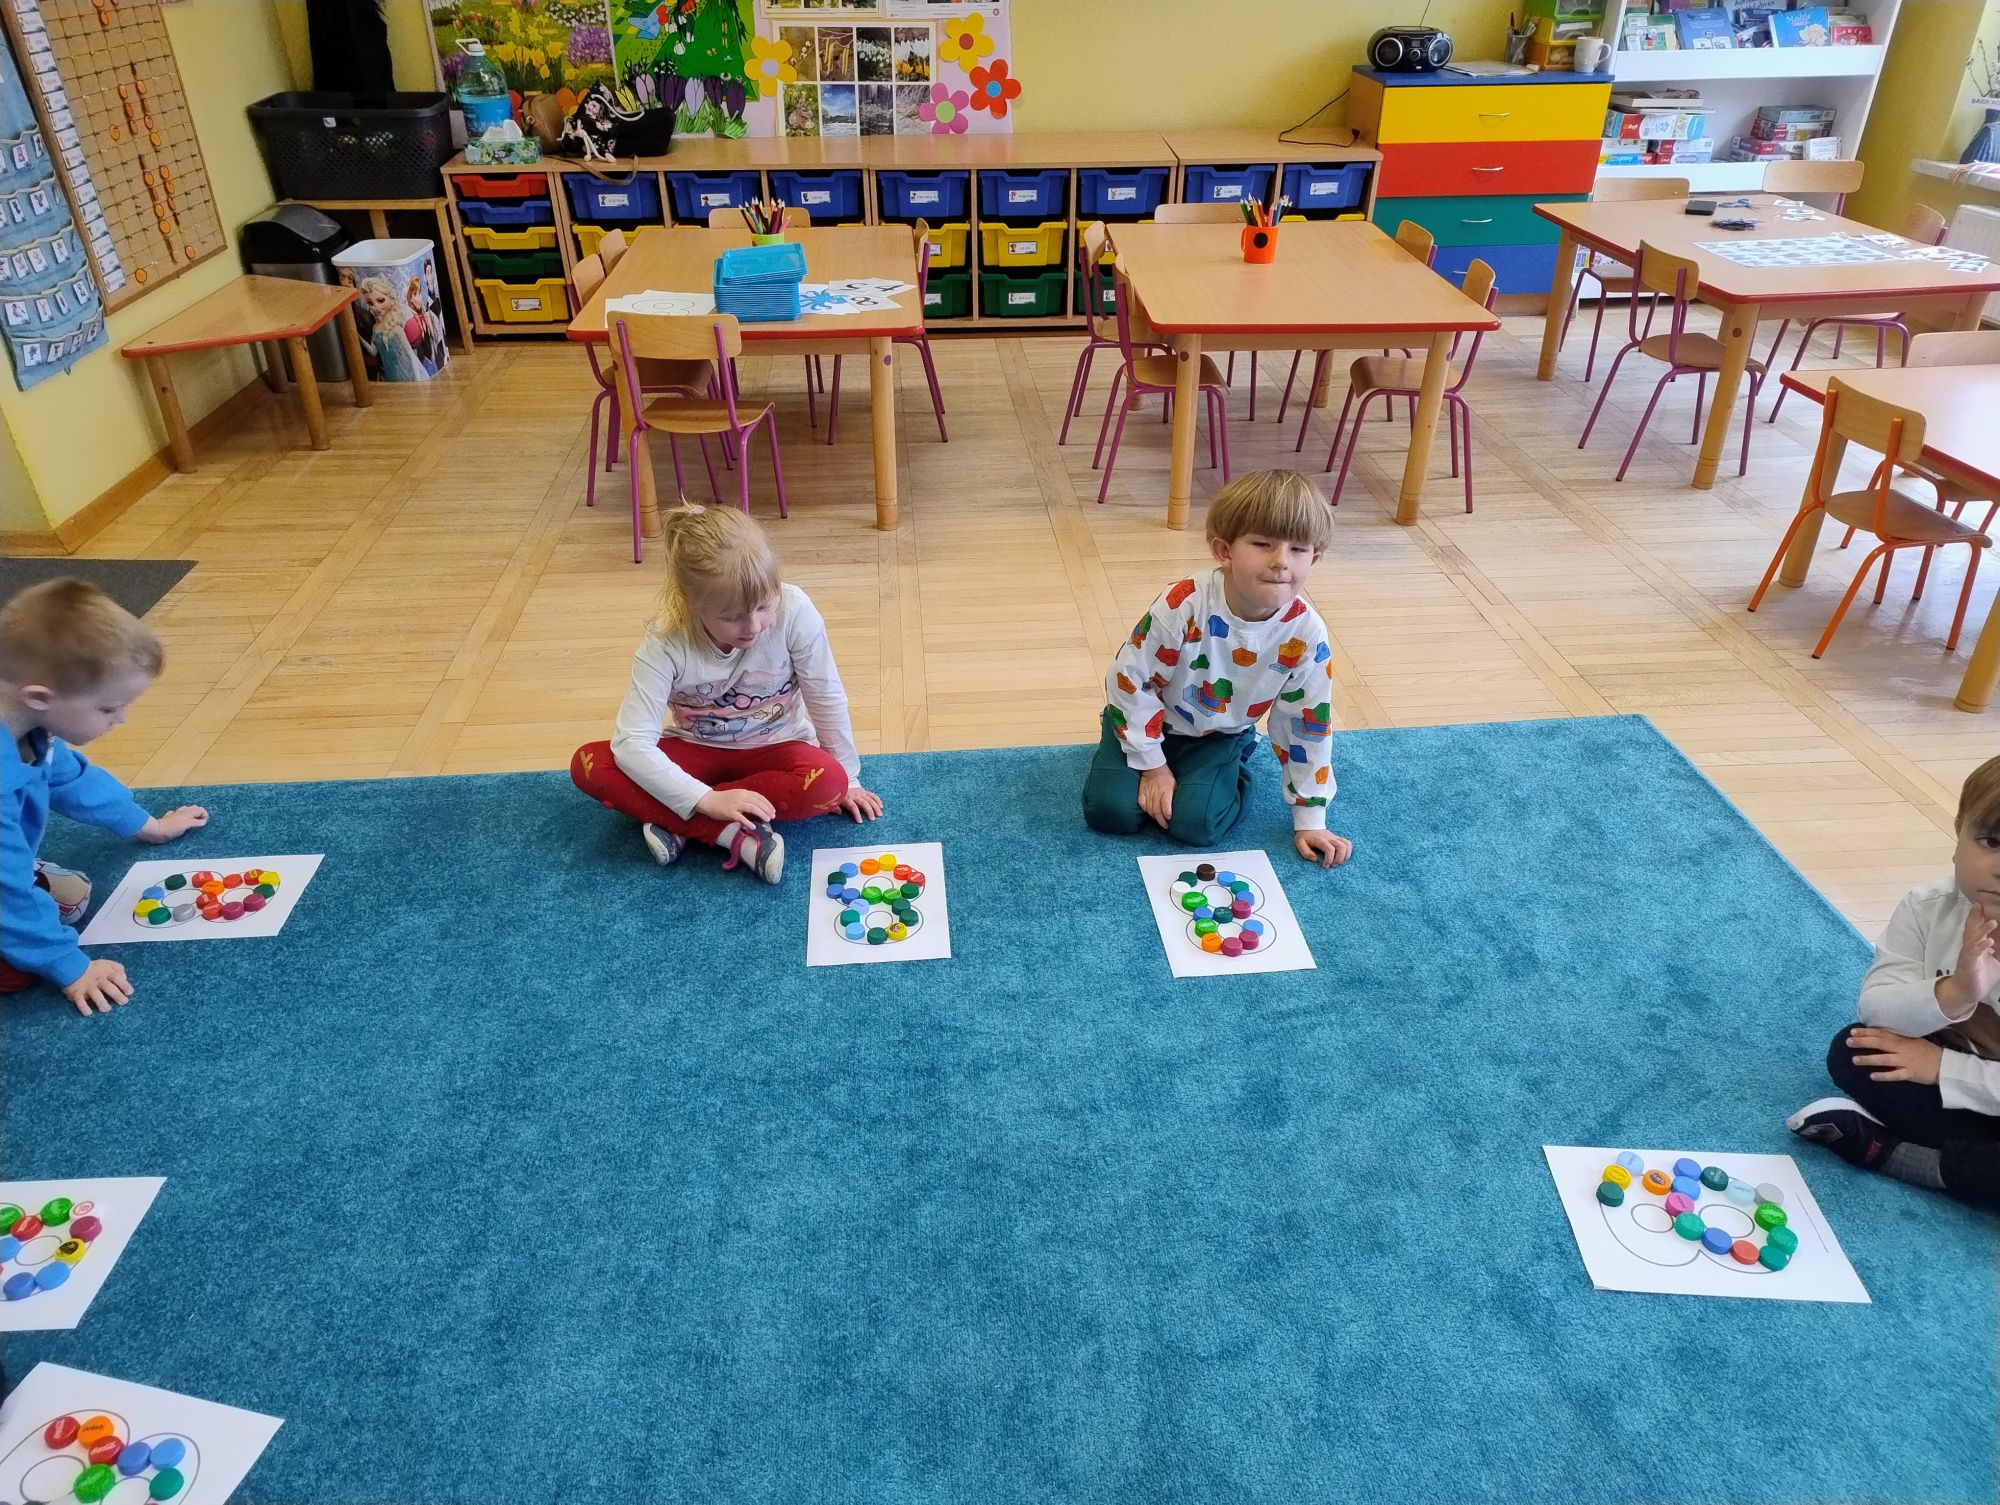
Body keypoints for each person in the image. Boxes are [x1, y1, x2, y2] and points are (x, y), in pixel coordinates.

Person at [570, 503, 880, 882]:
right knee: (589, 763)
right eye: (732, 616)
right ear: (692, 604)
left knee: (830, 781)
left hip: (778, 748)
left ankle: (675, 820)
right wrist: (707, 800)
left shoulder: (796, 611)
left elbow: (826, 696)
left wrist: (851, 777)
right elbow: (631, 741)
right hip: (696, 749)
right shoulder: (665, 640)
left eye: (764, 606)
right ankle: (732, 834)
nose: (753, 626)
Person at [1082, 469, 1352, 868]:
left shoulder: (1306, 632)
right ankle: (1131, 749)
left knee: (1197, 824)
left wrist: (1310, 819)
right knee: (1110, 812)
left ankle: (1232, 763)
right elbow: (1129, 680)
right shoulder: (1183, 603)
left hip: (1218, 737)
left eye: (1298, 549)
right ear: (1225, 551)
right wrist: (1153, 766)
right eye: (1262, 544)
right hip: (1147, 720)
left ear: (1314, 558)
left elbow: (1307, 722)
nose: (1281, 562)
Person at [1789, 754, 2000, 1211]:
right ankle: (1970, 1162)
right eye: (1992, 841)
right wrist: (1957, 992)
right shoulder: (1928, 907)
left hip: (1968, 1079)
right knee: (1855, 1049)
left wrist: (1943, 1068)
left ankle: (1898, 1157)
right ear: (1958, 832)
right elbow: (1877, 1009)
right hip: (1965, 1085)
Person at [0, 579, 209, 1014]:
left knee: (62, 900)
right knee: (18, 969)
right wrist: (68, 966)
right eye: (108, 709)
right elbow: (6, 893)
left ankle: (20, 865)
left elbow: (72, 780)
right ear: (39, 697)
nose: (121, 719)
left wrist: (148, 825)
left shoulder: (27, 718)